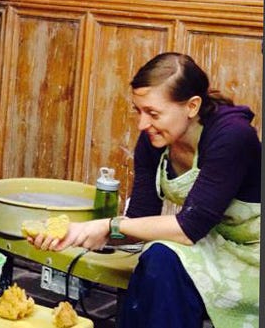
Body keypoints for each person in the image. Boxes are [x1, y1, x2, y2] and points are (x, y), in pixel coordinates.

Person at [28, 52, 260, 328]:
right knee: (158, 258)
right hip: (216, 243)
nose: (142, 124)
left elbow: (188, 229)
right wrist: (78, 234)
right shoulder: (155, 140)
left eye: (153, 113)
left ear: (192, 106)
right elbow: (138, 219)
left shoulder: (232, 136)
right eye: (138, 111)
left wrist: (108, 225)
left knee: (164, 258)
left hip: (252, 254)